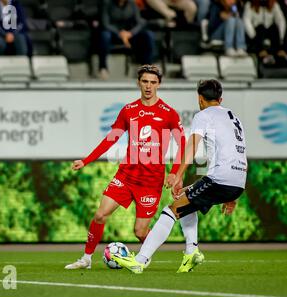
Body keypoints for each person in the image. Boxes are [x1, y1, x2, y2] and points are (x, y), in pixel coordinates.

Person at [110, 79, 247, 274]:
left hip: (220, 178)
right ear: (220, 99)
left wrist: (177, 174)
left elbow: (192, 146)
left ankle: (140, 260)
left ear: (200, 99)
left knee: (172, 209)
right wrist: (234, 195)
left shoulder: (204, 114)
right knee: (185, 200)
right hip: (238, 180)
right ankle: (191, 252)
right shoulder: (235, 119)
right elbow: (241, 152)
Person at [65, 64, 186, 270]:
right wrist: (86, 160)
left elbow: (182, 145)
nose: (148, 86)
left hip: (151, 181)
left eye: (153, 82)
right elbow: (111, 139)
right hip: (126, 175)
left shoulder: (169, 114)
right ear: (139, 83)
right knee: (100, 214)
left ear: (159, 84)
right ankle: (86, 258)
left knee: (140, 232)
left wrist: (175, 173)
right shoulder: (129, 110)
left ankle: (144, 256)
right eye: (145, 81)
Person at [99, 0, 155, 80]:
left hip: (130, 35)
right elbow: (105, 23)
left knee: (148, 35)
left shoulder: (132, 4)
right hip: (114, 35)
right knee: (104, 35)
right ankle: (103, 68)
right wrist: (120, 33)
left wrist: (130, 33)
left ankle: (147, 69)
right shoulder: (107, 3)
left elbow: (139, 22)